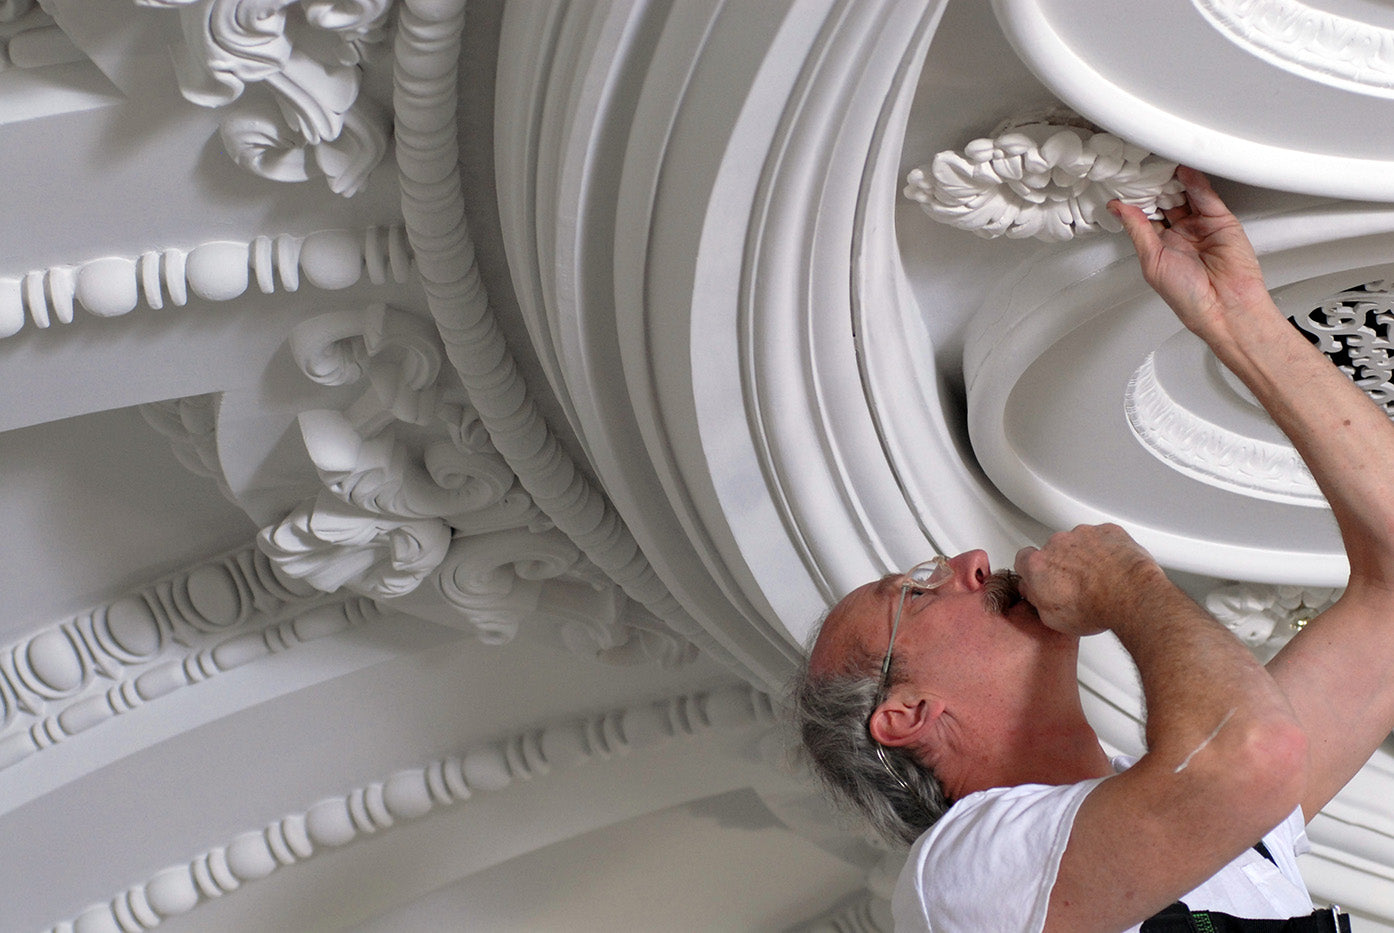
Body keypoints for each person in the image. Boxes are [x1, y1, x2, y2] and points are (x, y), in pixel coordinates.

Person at [793, 167, 1393, 932]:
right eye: (916, 590)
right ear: (907, 713)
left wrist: (1239, 320)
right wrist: (1127, 582)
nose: (971, 563)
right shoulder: (958, 875)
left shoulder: (1195, 801)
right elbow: (1250, 757)